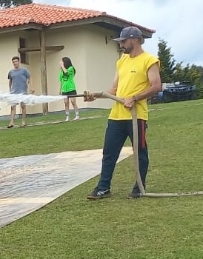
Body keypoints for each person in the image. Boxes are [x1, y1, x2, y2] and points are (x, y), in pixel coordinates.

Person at [85, 26, 161, 200]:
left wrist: (134, 98)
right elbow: (114, 87)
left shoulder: (149, 60)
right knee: (109, 152)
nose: (121, 45)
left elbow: (156, 86)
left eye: (123, 41)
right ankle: (103, 188)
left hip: (137, 117)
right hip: (117, 116)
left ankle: (139, 188)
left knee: (140, 153)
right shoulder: (122, 61)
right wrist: (96, 97)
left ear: (134, 40)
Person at [7, 56, 33, 128]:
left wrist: (31, 87)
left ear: (19, 62)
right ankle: (11, 122)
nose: (15, 63)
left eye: (16, 61)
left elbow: (29, 77)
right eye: (13, 62)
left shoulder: (24, 70)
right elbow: (10, 81)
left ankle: (23, 122)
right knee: (13, 107)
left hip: (23, 91)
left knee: (23, 106)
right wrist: (10, 90)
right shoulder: (11, 72)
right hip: (14, 92)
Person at [59, 57, 80, 121]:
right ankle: (67, 116)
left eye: (62, 61)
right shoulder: (61, 71)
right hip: (64, 89)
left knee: (73, 101)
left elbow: (66, 72)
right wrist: (60, 89)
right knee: (66, 103)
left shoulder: (71, 68)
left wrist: (62, 66)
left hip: (71, 88)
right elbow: (61, 81)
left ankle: (77, 115)